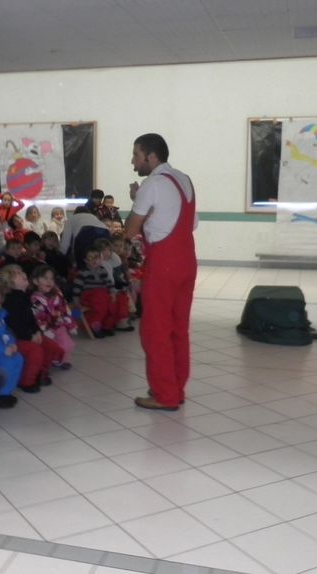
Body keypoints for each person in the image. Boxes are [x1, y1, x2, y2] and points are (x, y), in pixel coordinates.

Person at [125, 133, 198, 411]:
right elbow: (189, 224)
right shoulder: (184, 179)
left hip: (163, 263)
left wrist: (136, 200)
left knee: (155, 330)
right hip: (187, 260)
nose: (133, 162)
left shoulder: (151, 184)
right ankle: (176, 388)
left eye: (136, 155)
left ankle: (164, 395)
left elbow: (131, 230)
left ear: (151, 156)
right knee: (178, 328)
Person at [0, 264, 63, 392]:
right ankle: (27, 381)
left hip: (29, 334)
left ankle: (41, 373)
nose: (22, 274)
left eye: (21, 271)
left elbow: (31, 319)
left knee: (51, 347)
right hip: (17, 338)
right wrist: (30, 336)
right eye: (17, 273)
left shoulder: (25, 296)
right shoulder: (11, 300)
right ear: (10, 282)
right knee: (35, 351)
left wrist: (37, 332)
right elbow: (14, 325)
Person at [30, 264, 77, 367]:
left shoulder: (57, 294)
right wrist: (45, 329)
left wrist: (70, 324)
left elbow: (64, 309)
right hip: (45, 329)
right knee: (51, 346)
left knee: (67, 344)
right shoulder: (35, 299)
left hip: (59, 325)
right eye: (45, 278)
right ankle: (54, 360)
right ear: (35, 281)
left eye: (51, 278)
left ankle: (60, 360)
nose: (49, 281)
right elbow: (38, 316)